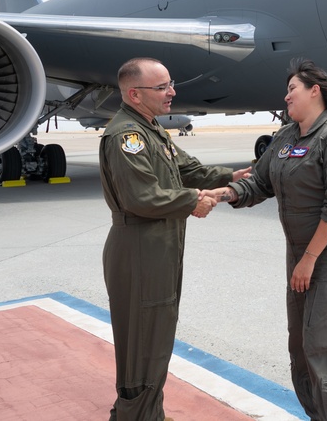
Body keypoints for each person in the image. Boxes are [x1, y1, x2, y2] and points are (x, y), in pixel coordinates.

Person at [204, 58, 327, 421]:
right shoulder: (285, 138)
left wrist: (308, 259)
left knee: (324, 347)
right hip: (301, 252)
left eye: (292, 89)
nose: (286, 95)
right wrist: (221, 194)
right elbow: (258, 183)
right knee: (300, 346)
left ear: (314, 91)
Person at [99, 57, 249, 421]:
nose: (172, 92)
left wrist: (234, 173)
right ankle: (135, 415)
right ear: (135, 94)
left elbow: (188, 169)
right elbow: (143, 197)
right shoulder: (126, 136)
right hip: (140, 246)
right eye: (162, 86)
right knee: (142, 341)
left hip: (158, 244)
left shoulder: (151, 129)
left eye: (170, 83)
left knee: (157, 335)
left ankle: (147, 413)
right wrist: (193, 200)